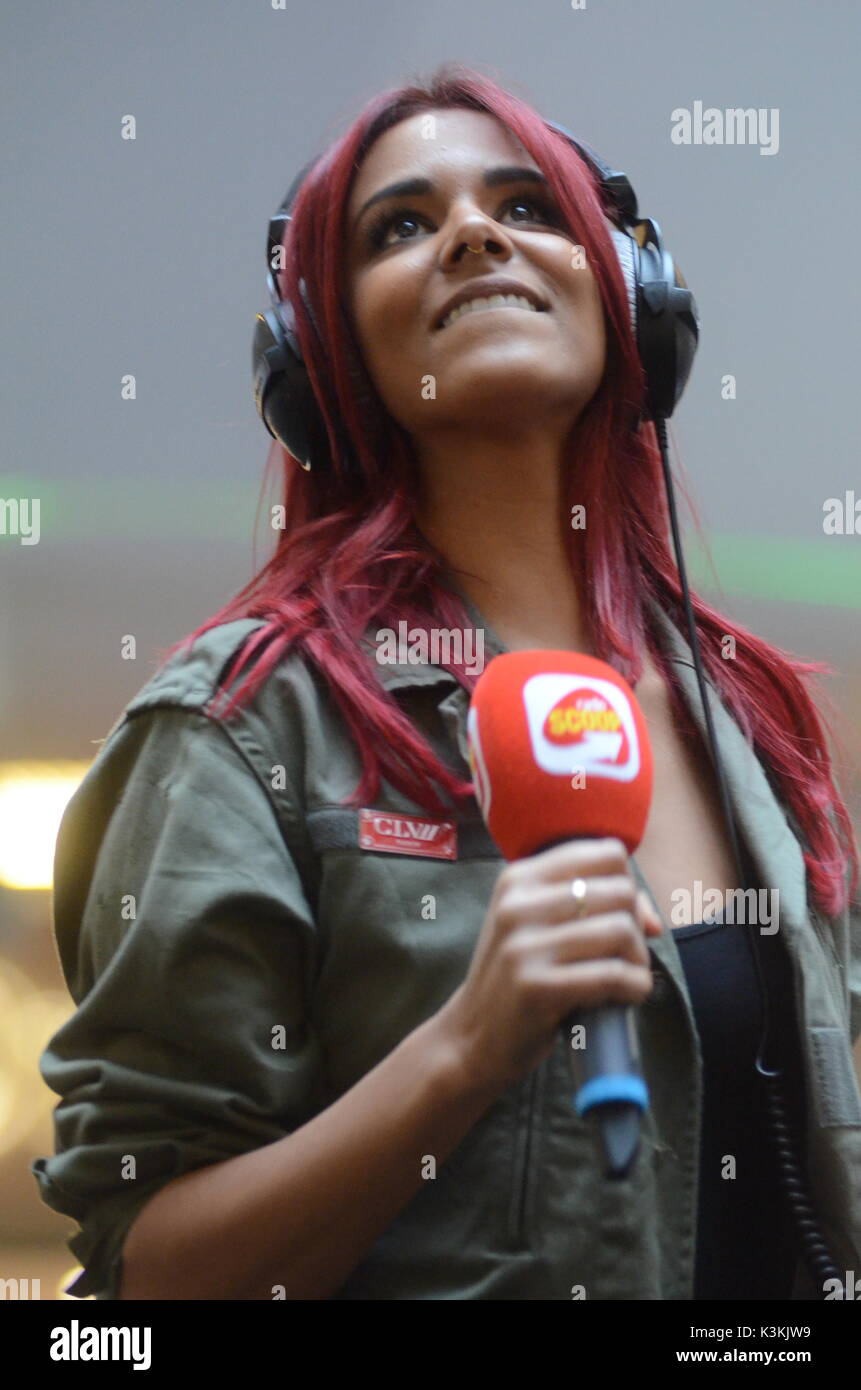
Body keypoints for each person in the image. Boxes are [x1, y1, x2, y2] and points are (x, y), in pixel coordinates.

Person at [33, 63, 861, 1301]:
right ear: (323, 350)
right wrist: (465, 1049)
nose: (476, 233)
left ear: (632, 297)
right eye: (402, 227)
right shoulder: (242, 725)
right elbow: (148, 1280)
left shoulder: (742, 716)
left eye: (527, 207)